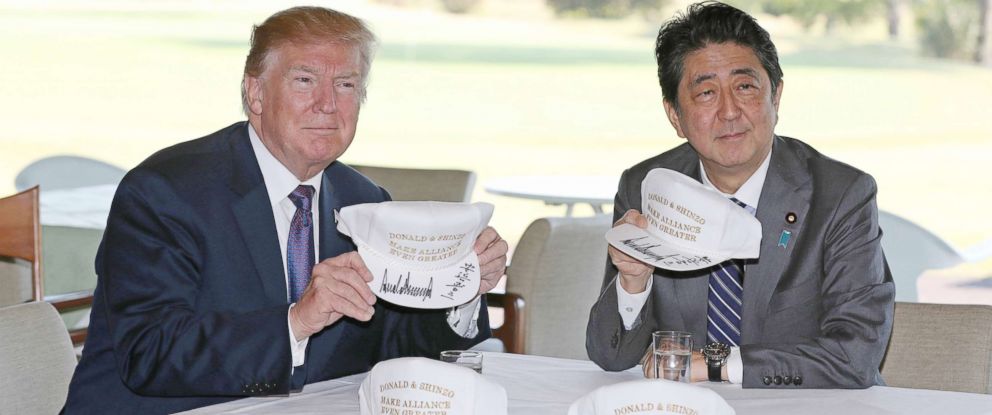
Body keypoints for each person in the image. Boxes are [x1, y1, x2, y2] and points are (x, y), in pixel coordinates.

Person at [63, 7, 508, 413]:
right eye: (304, 80)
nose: (328, 104)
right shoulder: (164, 193)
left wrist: (462, 287)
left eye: (346, 84)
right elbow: (151, 353)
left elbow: (398, 345)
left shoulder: (365, 201)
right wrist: (296, 321)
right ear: (255, 93)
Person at [586, 1, 894, 388]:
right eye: (706, 93)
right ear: (675, 117)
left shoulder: (842, 195)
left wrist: (719, 364)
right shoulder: (646, 187)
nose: (730, 111)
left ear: (775, 97)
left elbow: (857, 356)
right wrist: (633, 282)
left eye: (745, 87)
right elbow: (610, 356)